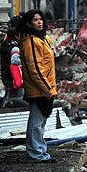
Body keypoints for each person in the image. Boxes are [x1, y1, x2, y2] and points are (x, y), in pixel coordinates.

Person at [17, 10, 57, 162]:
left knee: (40, 122)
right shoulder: (31, 42)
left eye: (41, 19)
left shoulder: (42, 39)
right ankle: (36, 154)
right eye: (35, 20)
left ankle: (40, 152)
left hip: (45, 88)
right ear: (29, 23)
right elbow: (35, 69)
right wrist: (46, 88)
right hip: (40, 89)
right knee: (36, 123)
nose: (39, 22)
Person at [0, 15, 24, 108]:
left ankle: (5, 107)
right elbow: (15, 61)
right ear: (17, 35)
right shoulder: (15, 47)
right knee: (18, 95)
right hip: (13, 76)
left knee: (8, 94)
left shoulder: (6, 43)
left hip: (6, 74)